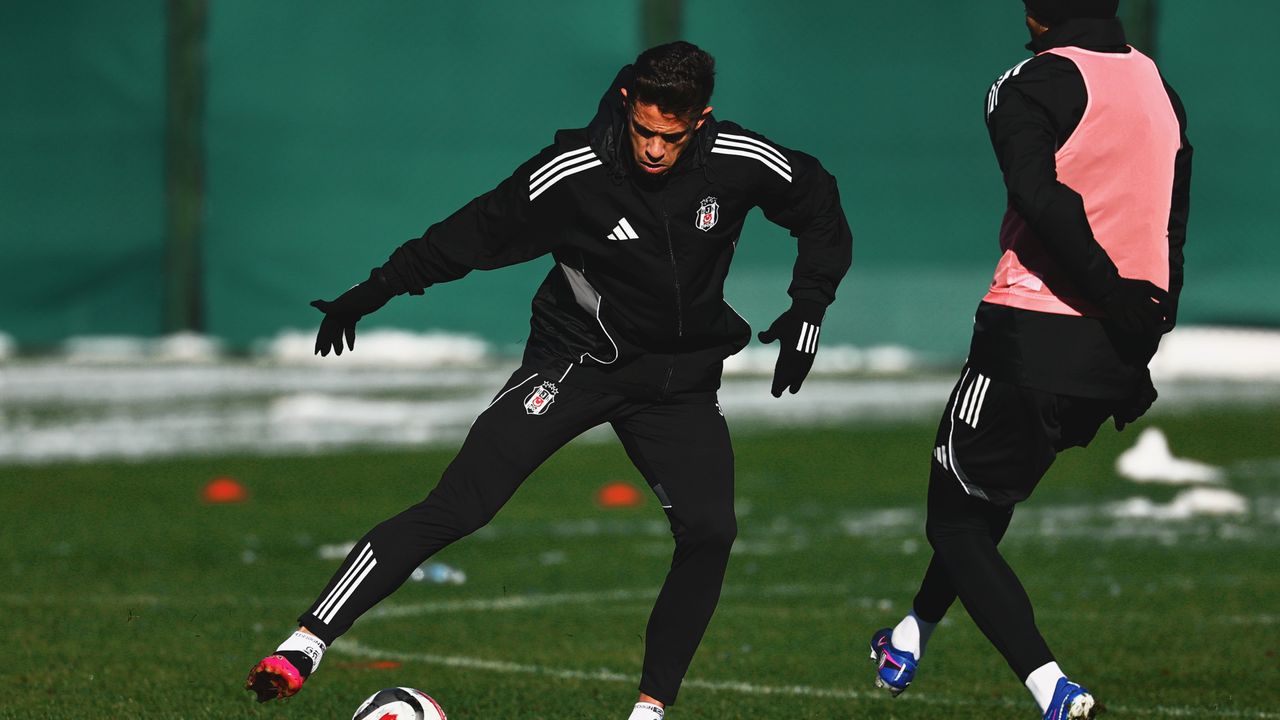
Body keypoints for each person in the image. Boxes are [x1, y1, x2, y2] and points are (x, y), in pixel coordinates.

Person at [245, 41, 852, 719]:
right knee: (462, 504)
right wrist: (373, 290)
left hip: (677, 384)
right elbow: (470, 234)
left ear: (701, 121)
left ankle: (649, 711)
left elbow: (819, 199)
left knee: (710, 531)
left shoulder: (738, 159)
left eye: (672, 137)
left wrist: (809, 307)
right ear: (627, 103)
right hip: (575, 363)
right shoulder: (574, 171)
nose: (654, 149)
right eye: (644, 131)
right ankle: (306, 642)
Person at [866, 2, 1191, 719]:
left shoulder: (1029, 81)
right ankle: (912, 633)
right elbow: (1173, 217)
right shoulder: (1158, 86)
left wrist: (1108, 291)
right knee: (985, 500)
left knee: (954, 522)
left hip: (1032, 333)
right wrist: (1149, 322)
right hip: (1116, 347)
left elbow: (1039, 197)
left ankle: (1052, 688)